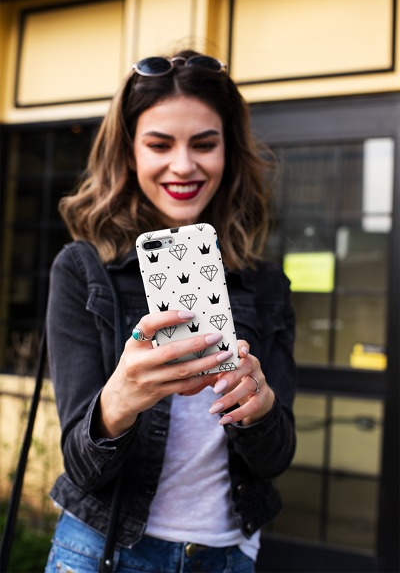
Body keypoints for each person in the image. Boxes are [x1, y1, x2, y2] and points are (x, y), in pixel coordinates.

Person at [45, 49, 297, 573]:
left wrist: (260, 407)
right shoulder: (84, 269)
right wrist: (120, 399)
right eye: (159, 144)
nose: (183, 165)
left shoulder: (266, 283)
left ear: (229, 151)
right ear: (129, 152)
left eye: (204, 144)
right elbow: (81, 467)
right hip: (101, 551)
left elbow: (277, 459)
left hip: (226, 556)